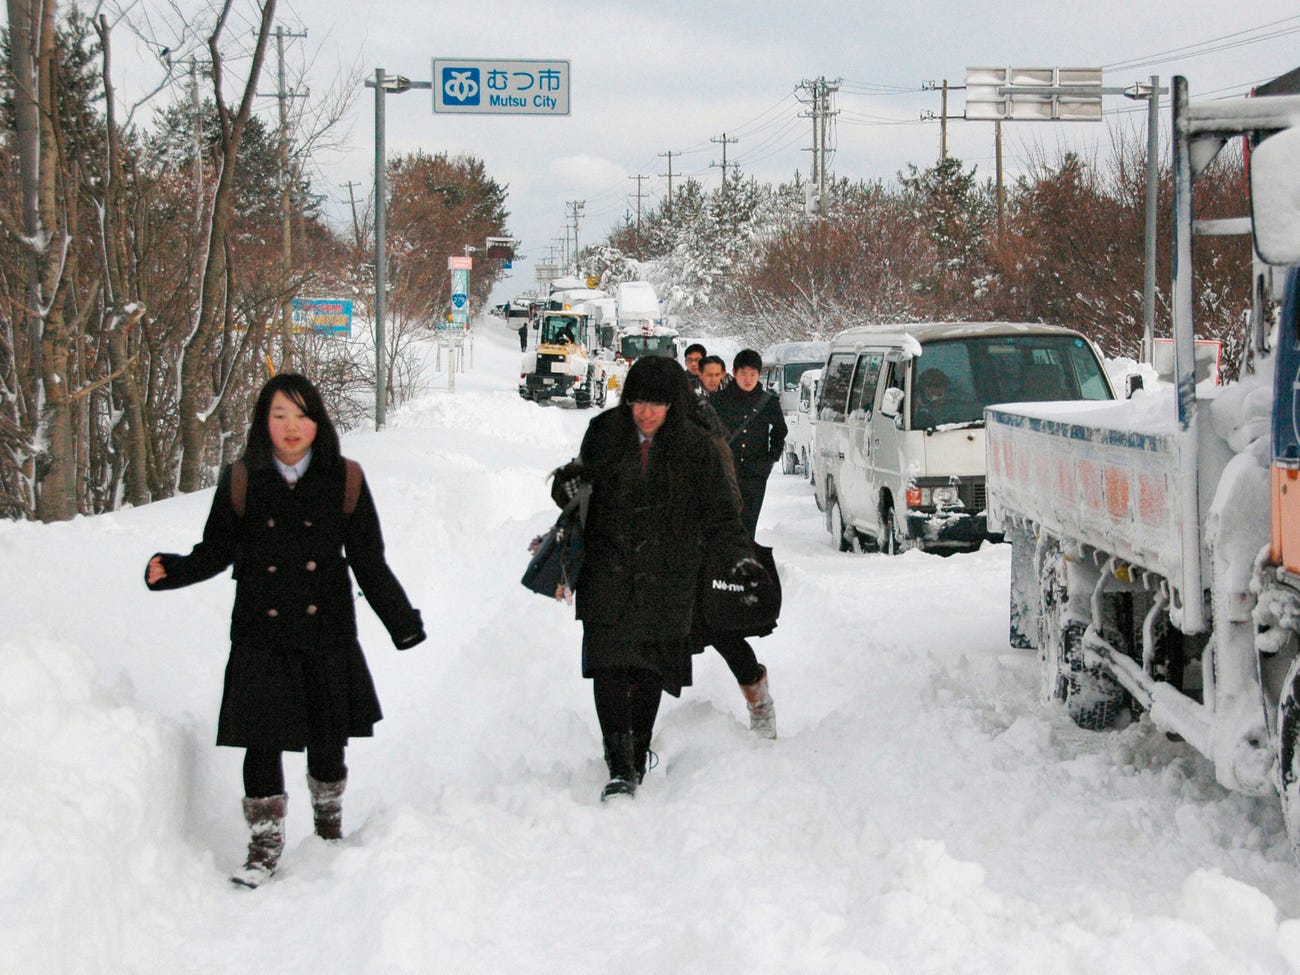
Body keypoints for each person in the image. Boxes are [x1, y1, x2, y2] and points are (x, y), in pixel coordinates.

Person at [144, 374, 426, 888]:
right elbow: (216, 551)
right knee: (261, 741)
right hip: (261, 630)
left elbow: (369, 561)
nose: (291, 427)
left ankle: (328, 827)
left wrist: (401, 622)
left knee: (327, 736)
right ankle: (264, 844)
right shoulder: (242, 479)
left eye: (301, 415)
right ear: (263, 423)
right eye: (279, 416)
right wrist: (173, 570)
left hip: (326, 629)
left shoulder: (346, 479)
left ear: (318, 421)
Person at [550, 356, 758, 801]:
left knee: (647, 669)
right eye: (638, 402)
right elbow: (576, 481)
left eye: (657, 404)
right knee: (607, 665)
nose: (645, 412)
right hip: (608, 567)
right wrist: (565, 487)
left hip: (668, 574)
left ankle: (637, 752)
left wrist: (737, 557)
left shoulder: (696, 446)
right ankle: (619, 765)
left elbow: (721, 512)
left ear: (673, 405)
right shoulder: (605, 432)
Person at [709, 349, 788, 539]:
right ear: (734, 373)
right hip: (726, 473)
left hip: (755, 473)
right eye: (743, 374)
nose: (748, 379)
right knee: (726, 524)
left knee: (749, 524)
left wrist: (770, 459)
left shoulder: (767, 401)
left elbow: (780, 430)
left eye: (753, 374)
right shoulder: (719, 400)